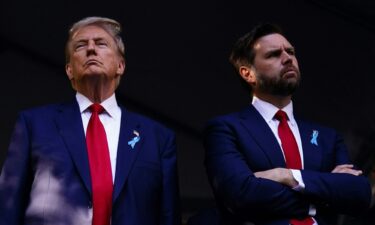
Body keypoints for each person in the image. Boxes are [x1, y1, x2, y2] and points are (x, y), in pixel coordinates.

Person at [0, 17, 180, 225]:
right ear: (69, 70)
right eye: (80, 46)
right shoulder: (34, 124)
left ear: (120, 65)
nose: (91, 49)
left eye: (101, 43)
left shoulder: (157, 137)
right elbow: (7, 208)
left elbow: (168, 216)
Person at [203, 23, 371, 225]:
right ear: (248, 73)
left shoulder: (327, 136)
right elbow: (240, 195)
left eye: (290, 52)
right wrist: (324, 192)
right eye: (274, 54)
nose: (287, 58)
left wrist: (286, 175)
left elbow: (359, 193)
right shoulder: (225, 129)